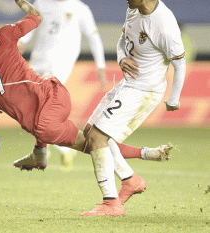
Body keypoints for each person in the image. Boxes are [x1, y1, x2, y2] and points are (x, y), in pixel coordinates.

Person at [0, 0, 172, 216]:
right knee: (93, 136)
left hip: (45, 123)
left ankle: (121, 188)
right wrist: (21, 2)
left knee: (91, 144)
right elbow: (35, 17)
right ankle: (41, 153)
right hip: (57, 93)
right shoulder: (1, 34)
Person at [78, 0, 186, 216]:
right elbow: (123, 39)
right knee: (90, 132)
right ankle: (130, 180)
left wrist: (174, 99)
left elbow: (179, 63)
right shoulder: (133, 9)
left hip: (145, 90)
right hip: (128, 84)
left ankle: (111, 204)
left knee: (98, 137)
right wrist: (121, 58)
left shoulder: (164, 24)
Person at [17, 0, 107, 171]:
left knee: (42, 99)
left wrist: (101, 66)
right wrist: (21, 41)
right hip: (38, 59)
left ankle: (43, 149)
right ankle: (62, 147)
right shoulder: (41, 3)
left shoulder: (79, 8)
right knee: (33, 106)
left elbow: (93, 37)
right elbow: (31, 24)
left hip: (61, 62)